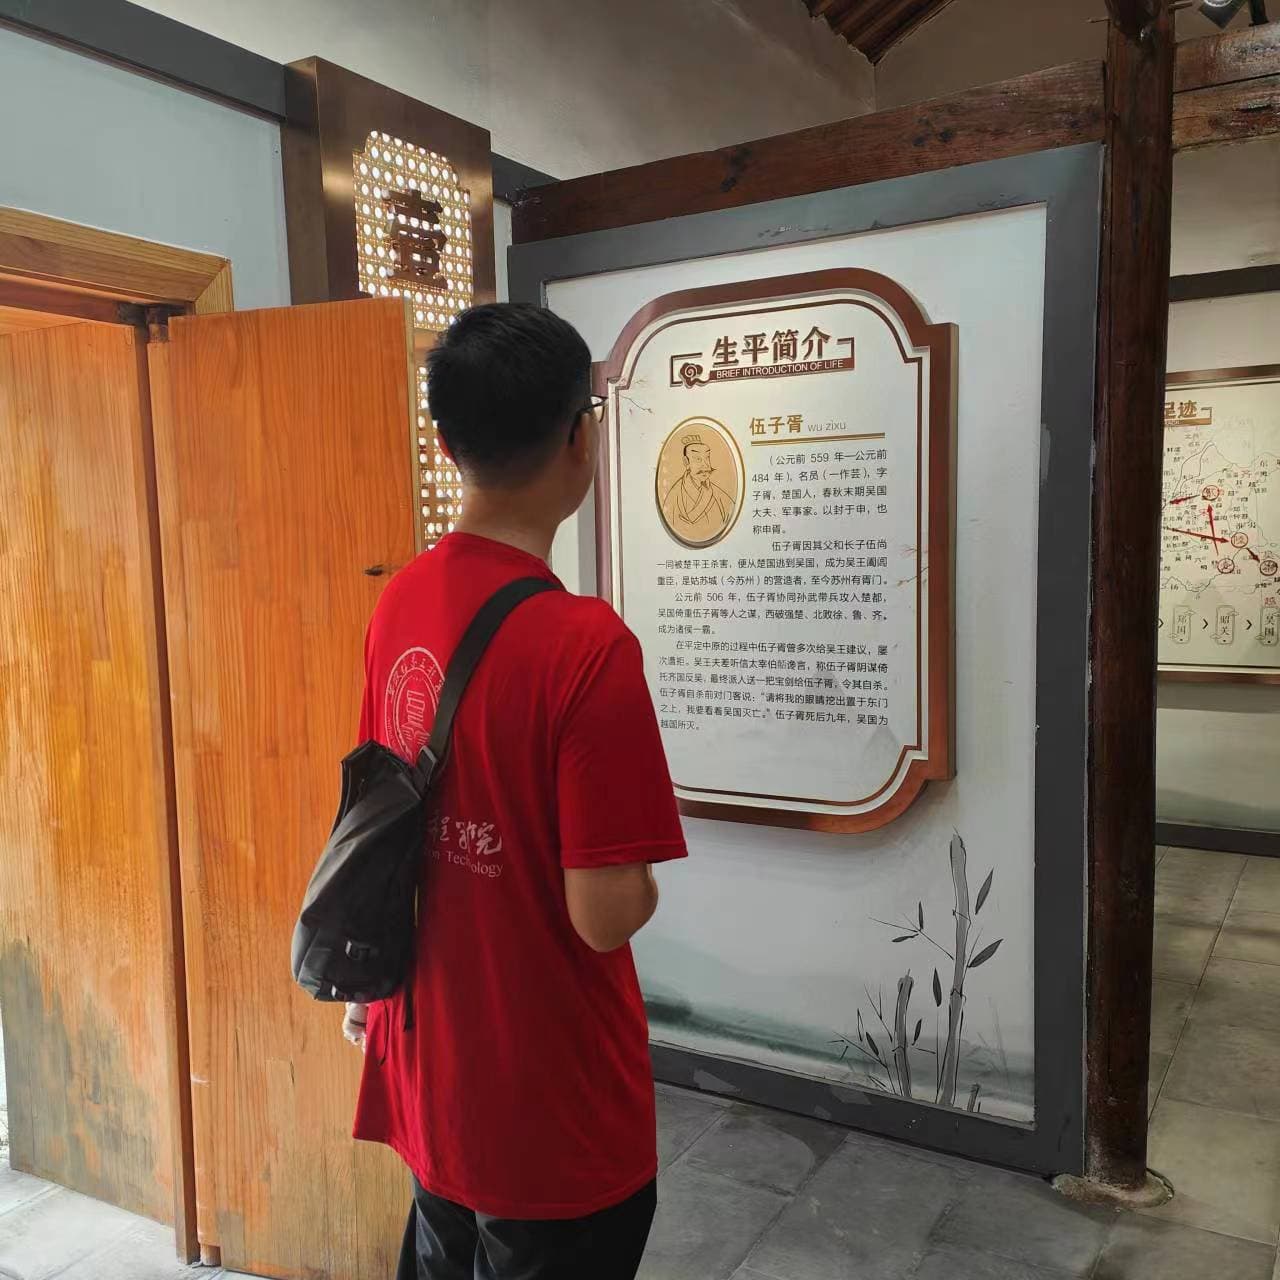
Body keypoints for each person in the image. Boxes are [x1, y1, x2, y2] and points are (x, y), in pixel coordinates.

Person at [345, 303, 687, 1280]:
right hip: (550, 1098)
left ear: (445, 443)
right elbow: (603, 915)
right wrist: (644, 873)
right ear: (579, 438)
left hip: (431, 1061)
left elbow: (377, 812)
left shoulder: (399, 599)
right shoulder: (586, 645)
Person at [660, 434, 734, 543]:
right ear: (686, 462)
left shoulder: (720, 496)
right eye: (698, 459)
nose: (706, 465)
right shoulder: (673, 497)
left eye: (707, 458)